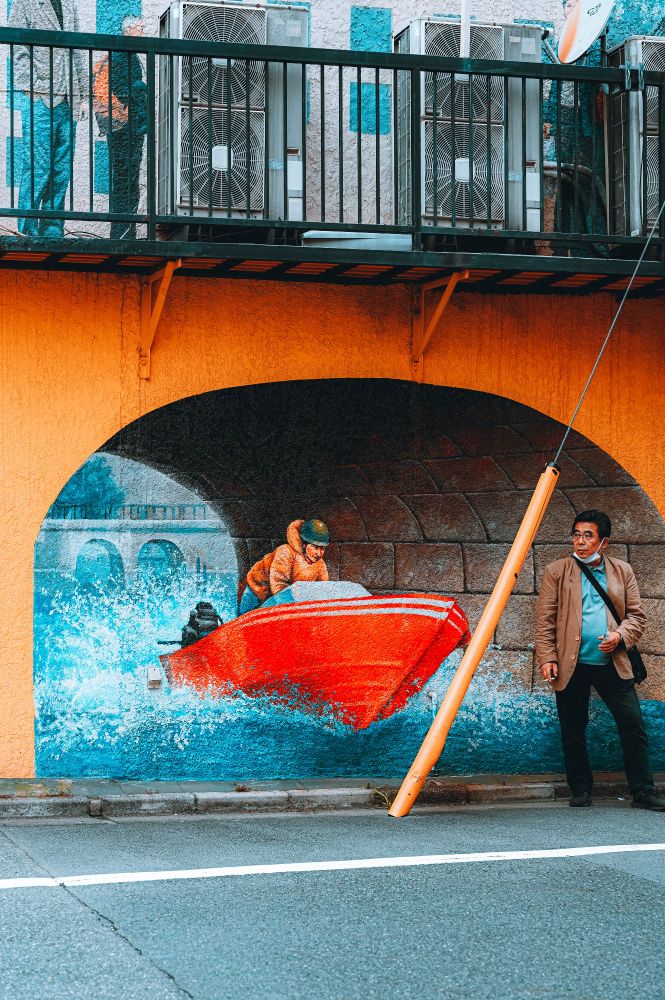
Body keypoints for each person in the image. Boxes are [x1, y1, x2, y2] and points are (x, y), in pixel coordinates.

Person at [536, 509, 665, 811]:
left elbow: (637, 617)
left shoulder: (622, 571)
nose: (580, 541)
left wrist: (619, 636)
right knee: (572, 727)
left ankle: (643, 792)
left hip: (613, 664)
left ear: (603, 542)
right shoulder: (557, 570)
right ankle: (580, 789)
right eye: (576, 534)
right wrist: (547, 657)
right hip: (571, 664)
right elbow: (545, 621)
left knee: (633, 724)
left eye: (588, 535)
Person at [8, 0, 87, 238]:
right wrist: (31, 87)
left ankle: (53, 229)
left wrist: (83, 94)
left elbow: (77, 51)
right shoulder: (26, 2)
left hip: (68, 97)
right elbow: (18, 46)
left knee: (61, 169)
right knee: (37, 166)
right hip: (40, 98)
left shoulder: (69, 4)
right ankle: (28, 229)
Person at [93, 16, 147, 240]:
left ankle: (125, 229)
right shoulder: (122, 55)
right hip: (125, 127)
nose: (143, 32)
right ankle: (124, 231)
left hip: (124, 126)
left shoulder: (126, 55)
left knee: (125, 179)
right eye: (140, 28)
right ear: (130, 30)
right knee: (125, 179)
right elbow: (121, 87)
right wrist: (141, 87)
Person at [239, 519, 330, 615]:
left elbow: (322, 588)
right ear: (304, 544)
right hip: (256, 592)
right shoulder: (286, 552)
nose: (319, 553)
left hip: (279, 598)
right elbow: (278, 584)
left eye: (322, 548)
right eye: (315, 547)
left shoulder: (320, 565)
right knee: (244, 618)